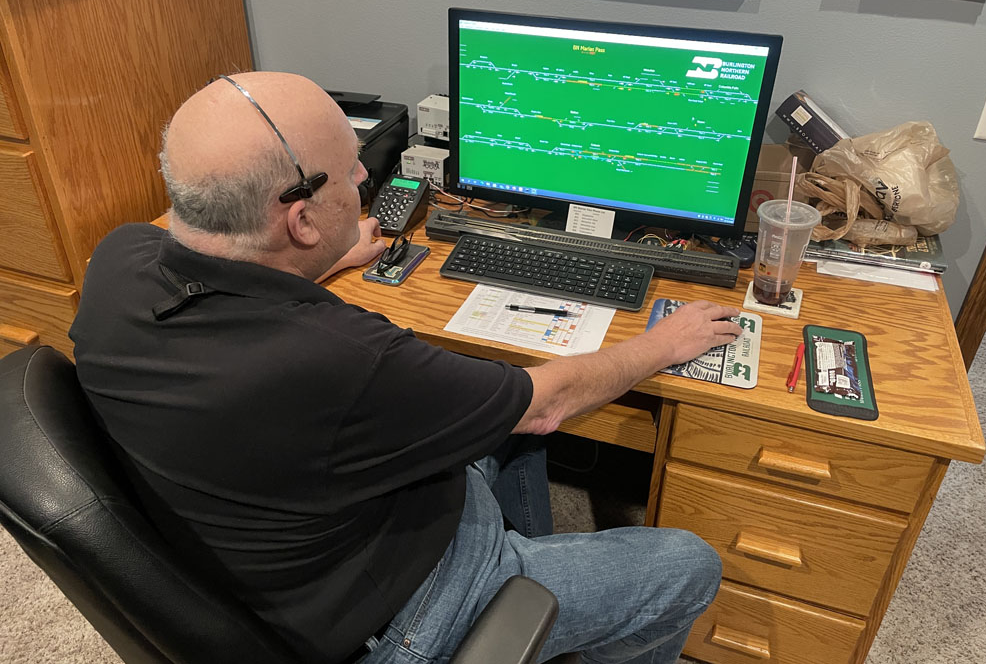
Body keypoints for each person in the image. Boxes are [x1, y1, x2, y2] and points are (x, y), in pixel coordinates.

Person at [69, 72, 743, 664]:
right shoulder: (345, 359)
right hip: (391, 624)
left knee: (501, 418)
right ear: (300, 218)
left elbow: (238, 282)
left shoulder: (117, 260)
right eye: (353, 167)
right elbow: (546, 403)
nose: (368, 178)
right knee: (683, 563)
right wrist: (662, 343)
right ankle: (515, 592)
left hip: (277, 543)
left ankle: (537, 595)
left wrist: (326, 259)